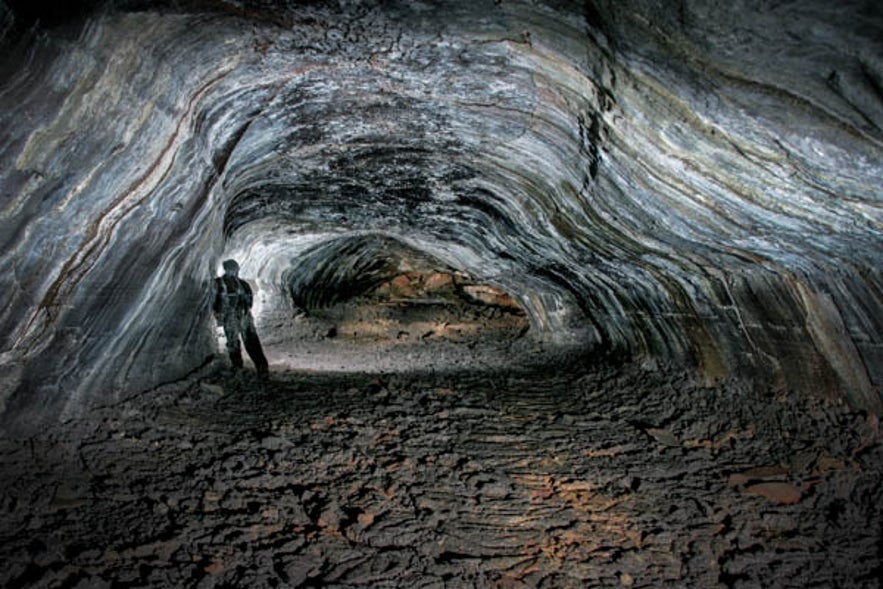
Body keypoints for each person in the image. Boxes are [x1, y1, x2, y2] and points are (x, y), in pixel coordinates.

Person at [213, 259, 269, 380]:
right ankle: (259, 368)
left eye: (236, 269)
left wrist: (219, 314)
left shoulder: (220, 283)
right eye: (235, 268)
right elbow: (249, 302)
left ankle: (241, 367)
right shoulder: (241, 284)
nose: (236, 271)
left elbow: (215, 302)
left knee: (238, 342)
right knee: (247, 341)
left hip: (235, 316)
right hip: (242, 315)